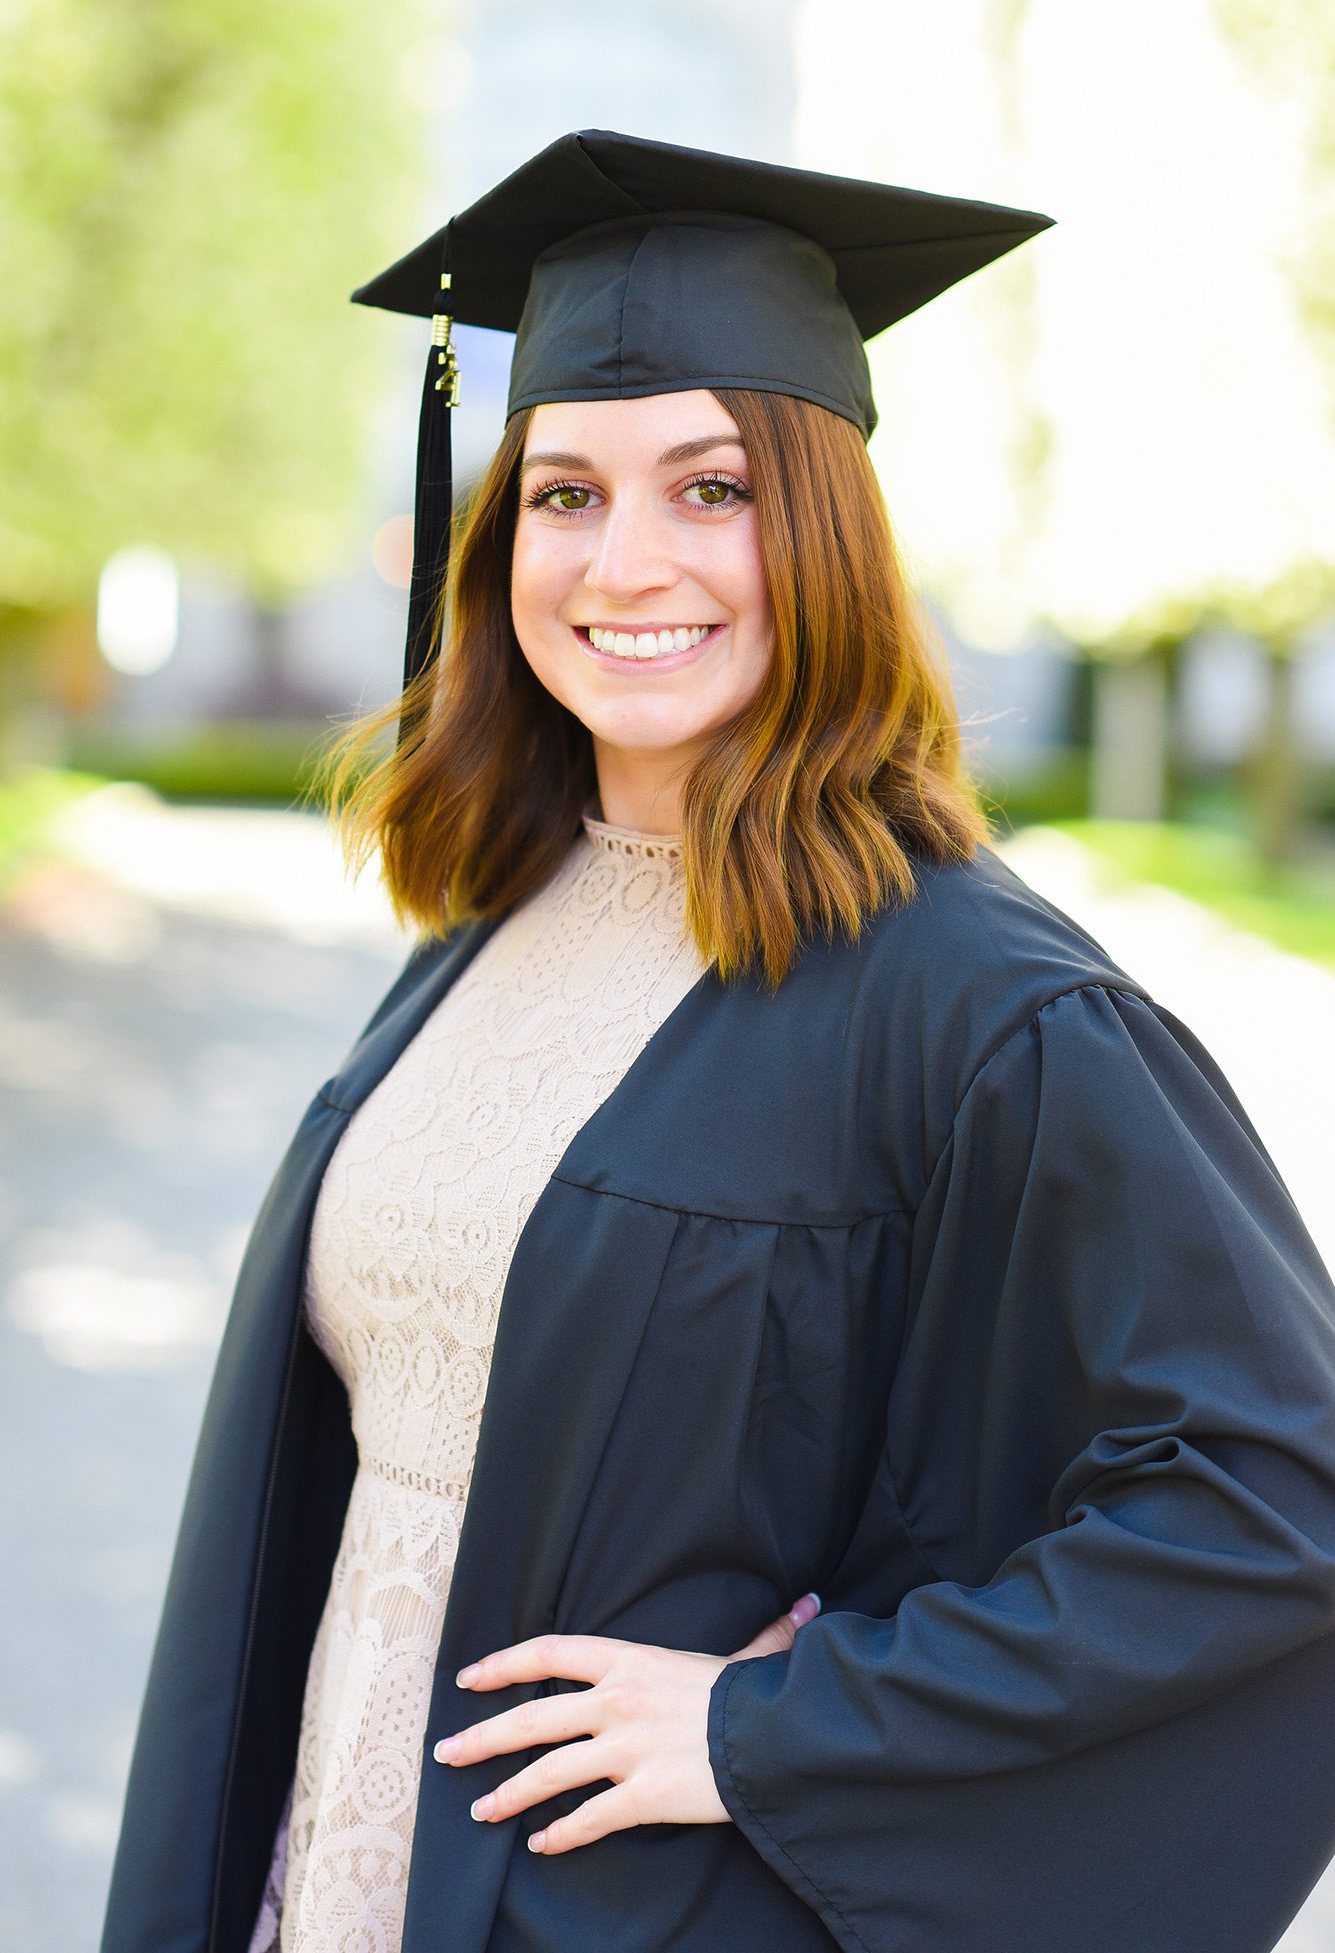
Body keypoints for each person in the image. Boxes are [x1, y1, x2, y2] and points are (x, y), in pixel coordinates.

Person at [101, 132, 1335, 1953]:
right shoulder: (498, 915)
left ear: (825, 530)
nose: (627, 561)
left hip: (625, 1907)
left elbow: (1277, 1495)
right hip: (337, 1862)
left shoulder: (977, 998)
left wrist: (767, 1726)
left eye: (712, 488)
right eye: (566, 494)